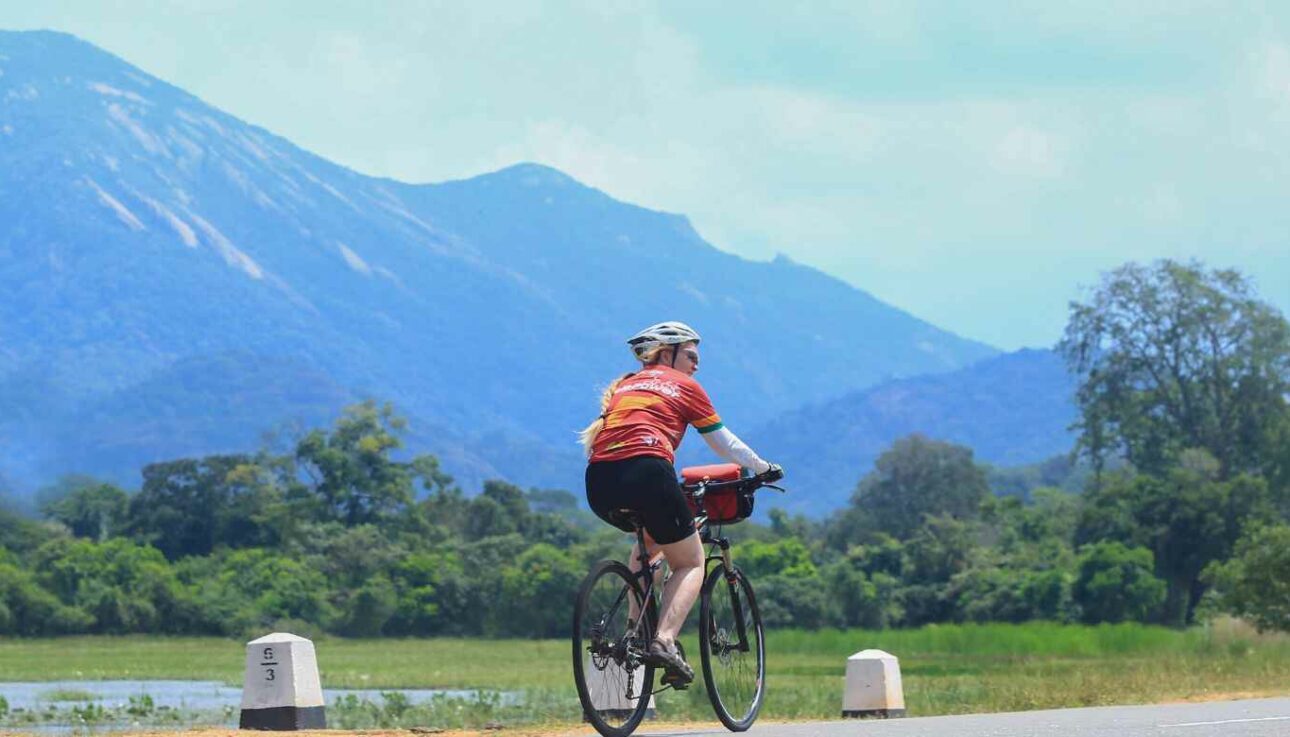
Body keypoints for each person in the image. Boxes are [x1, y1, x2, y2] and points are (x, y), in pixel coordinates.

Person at [579, 321, 779, 687]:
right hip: (648, 470)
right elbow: (723, 444)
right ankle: (664, 641)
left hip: (599, 480)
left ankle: (633, 632)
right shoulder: (685, 386)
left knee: (651, 542)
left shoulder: (626, 385)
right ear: (666, 354)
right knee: (690, 561)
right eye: (690, 355)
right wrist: (763, 467)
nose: (696, 364)